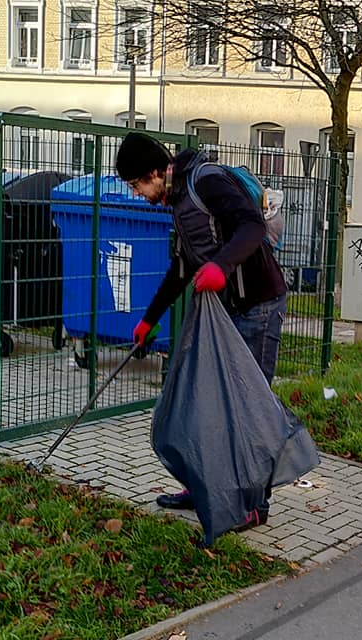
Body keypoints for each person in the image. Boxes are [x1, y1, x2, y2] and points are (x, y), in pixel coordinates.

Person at [115, 132, 287, 531]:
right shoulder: (178, 200)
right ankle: (204, 487)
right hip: (225, 313)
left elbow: (251, 228)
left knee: (249, 411)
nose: (139, 194)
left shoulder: (207, 180)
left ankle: (254, 506)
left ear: (157, 172)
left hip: (259, 306)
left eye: (138, 184)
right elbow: (183, 266)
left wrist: (221, 266)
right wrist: (150, 317)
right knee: (206, 405)